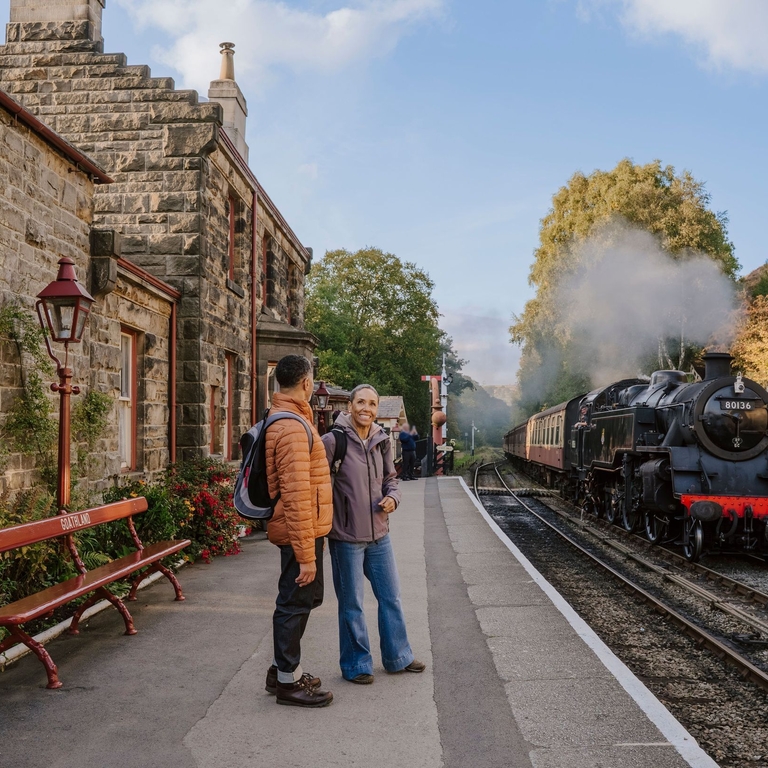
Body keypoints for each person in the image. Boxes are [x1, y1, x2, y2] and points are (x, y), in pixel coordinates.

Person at [322, 384, 426, 684]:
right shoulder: (333, 441)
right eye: (361, 402)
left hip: (380, 533)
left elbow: (391, 479)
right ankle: (357, 665)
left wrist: (393, 498)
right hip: (345, 537)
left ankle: (398, 657)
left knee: (390, 596)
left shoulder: (382, 441)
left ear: (377, 409)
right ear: (351, 405)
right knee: (352, 603)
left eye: (372, 404)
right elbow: (318, 483)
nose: (366, 408)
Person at [264, 354, 334, 707]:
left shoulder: (287, 419)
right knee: (295, 602)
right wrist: (307, 556)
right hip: (300, 533)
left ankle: (280, 670)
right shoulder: (292, 427)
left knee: (302, 599)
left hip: (301, 530)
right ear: (306, 383)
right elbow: (296, 495)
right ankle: (288, 684)